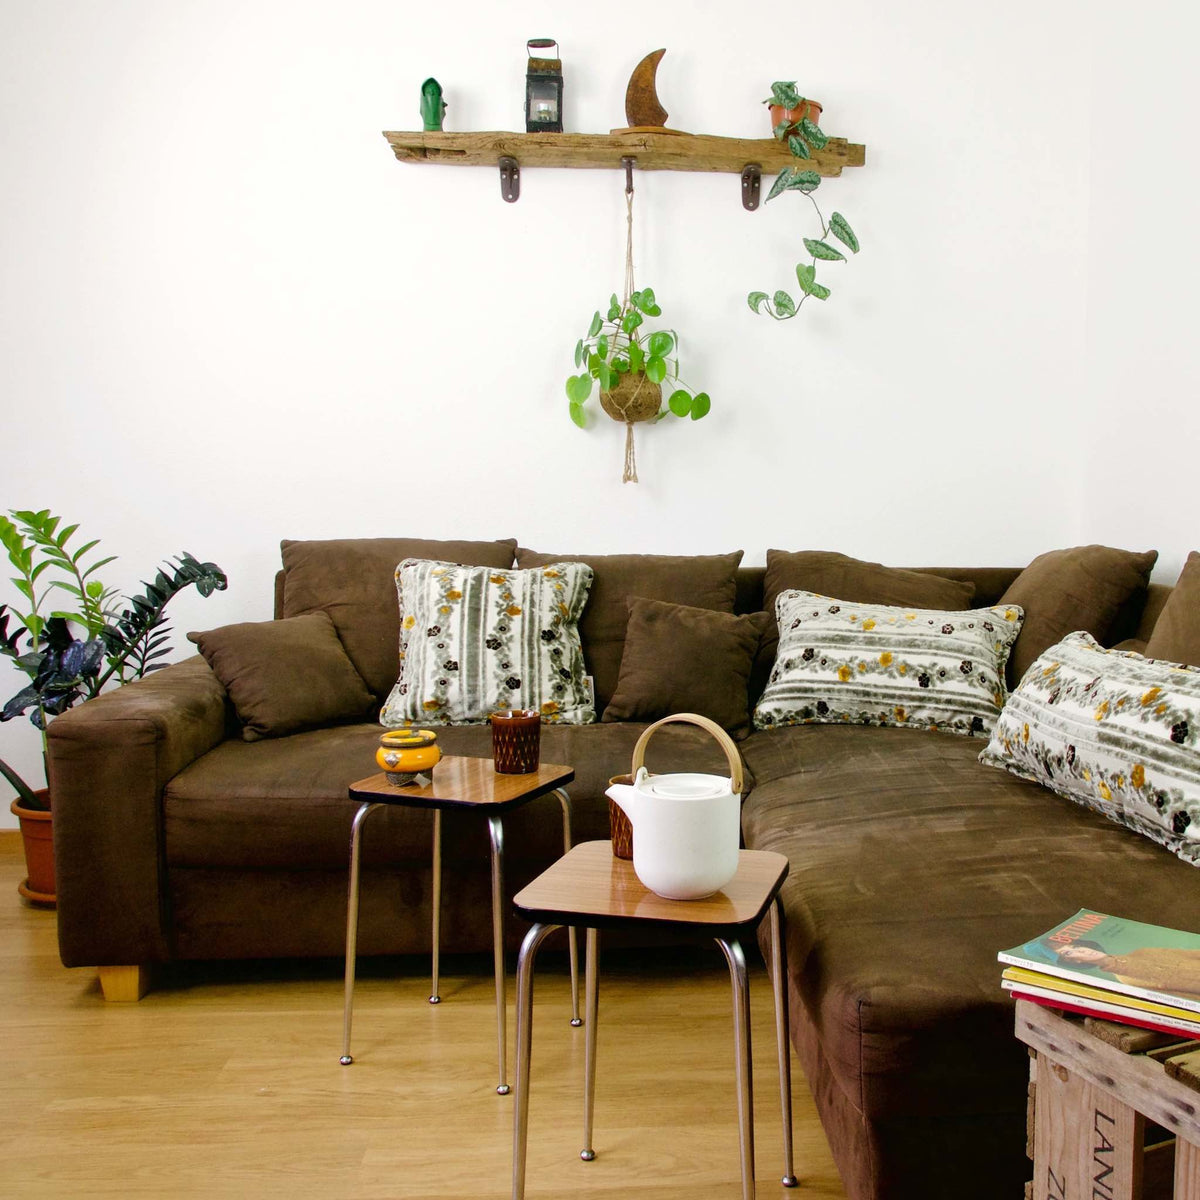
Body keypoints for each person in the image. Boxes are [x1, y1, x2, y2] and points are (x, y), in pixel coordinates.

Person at [1052, 937, 1200, 999]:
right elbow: (1184, 996)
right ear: (1076, 961)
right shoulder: (1128, 980)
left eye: (1076, 946)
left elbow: (1193, 954)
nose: (1082, 950)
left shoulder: (1143, 952)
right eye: (1071, 953)